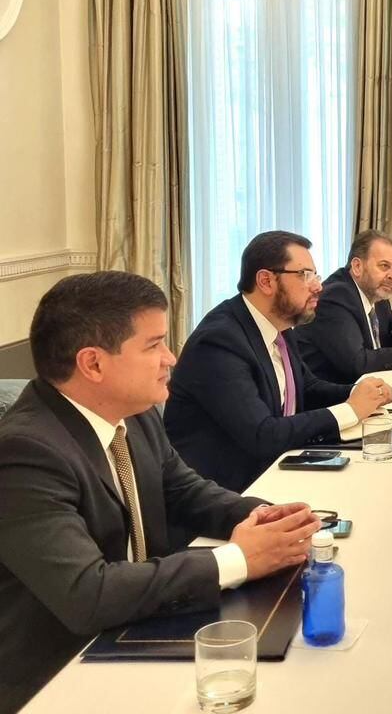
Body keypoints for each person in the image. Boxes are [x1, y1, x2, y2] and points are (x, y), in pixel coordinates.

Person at [0, 272, 323, 714]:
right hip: (60, 675)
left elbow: (185, 490)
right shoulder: (23, 453)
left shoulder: (134, 414)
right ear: (93, 364)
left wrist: (270, 519)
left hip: (138, 627)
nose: (170, 358)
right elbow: (86, 594)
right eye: (153, 345)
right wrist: (240, 559)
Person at [164, 231, 392, 493]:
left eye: (315, 276)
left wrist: (361, 394)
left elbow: (305, 388)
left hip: (274, 471)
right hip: (229, 494)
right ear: (266, 281)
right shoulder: (219, 341)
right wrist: (350, 410)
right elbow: (262, 435)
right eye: (305, 275)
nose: (318, 286)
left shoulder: (279, 326)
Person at [296, 229, 392, 382]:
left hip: (368, 387)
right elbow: (358, 363)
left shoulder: (376, 295)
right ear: (357, 267)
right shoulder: (335, 297)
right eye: (384, 266)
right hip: (333, 397)